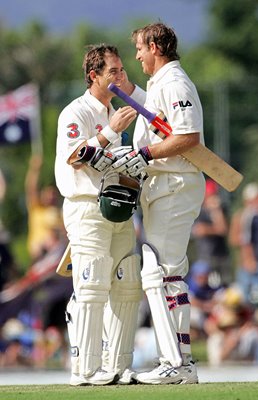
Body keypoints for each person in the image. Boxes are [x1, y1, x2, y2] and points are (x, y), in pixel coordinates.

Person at [112, 22, 205, 384]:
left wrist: (145, 153)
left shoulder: (176, 81)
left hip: (175, 185)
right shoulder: (160, 84)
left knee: (162, 273)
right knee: (163, 273)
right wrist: (122, 88)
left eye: (139, 48)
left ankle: (177, 365)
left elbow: (188, 136)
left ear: (154, 46)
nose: (136, 55)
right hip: (162, 187)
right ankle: (178, 362)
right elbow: (151, 109)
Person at [55, 44, 145, 386]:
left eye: (122, 70)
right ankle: (86, 370)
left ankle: (117, 366)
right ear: (94, 76)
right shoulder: (75, 112)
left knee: (127, 284)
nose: (121, 77)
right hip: (85, 207)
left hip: (118, 206)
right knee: (92, 285)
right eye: (114, 72)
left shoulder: (114, 110)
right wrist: (110, 132)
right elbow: (75, 156)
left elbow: (107, 161)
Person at [191, 179, 232, 287]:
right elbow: (198, 230)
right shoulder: (198, 210)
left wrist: (216, 211)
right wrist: (214, 229)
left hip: (221, 255)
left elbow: (223, 229)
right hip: (206, 256)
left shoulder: (220, 210)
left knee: (224, 286)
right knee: (206, 286)